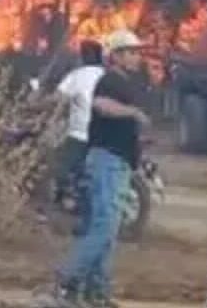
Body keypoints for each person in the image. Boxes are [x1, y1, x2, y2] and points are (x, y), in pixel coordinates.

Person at [56, 30, 151, 308]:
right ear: (117, 56)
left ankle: (96, 292)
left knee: (107, 228)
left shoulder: (124, 83)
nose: (136, 57)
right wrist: (132, 113)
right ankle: (67, 279)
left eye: (137, 51)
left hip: (118, 163)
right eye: (131, 52)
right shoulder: (109, 80)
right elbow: (101, 105)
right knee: (104, 227)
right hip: (107, 162)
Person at [54, 40, 105, 206]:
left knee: (58, 168)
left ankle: (69, 200)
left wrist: (33, 105)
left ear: (82, 57)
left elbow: (57, 99)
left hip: (80, 135)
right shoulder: (106, 75)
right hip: (102, 135)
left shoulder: (77, 76)